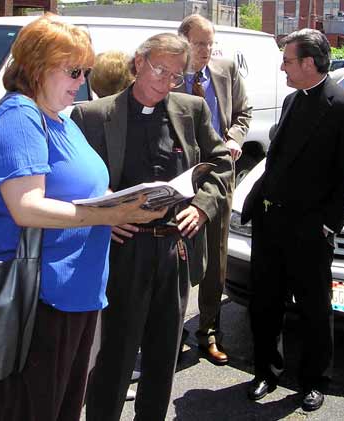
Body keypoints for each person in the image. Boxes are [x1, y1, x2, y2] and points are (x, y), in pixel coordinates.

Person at [0, 14, 165, 421]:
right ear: (37, 66)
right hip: (38, 299)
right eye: (73, 70)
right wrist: (110, 212)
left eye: (86, 71)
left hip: (73, 291)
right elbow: (26, 207)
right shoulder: (20, 116)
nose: (82, 81)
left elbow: (84, 189)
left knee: (62, 409)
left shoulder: (59, 116)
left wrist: (125, 201)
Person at [71, 32, 233, 421]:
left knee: (163, 357)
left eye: (176, 75)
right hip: (122, 249)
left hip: (174, 248)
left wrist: (203, 207)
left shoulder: (191, 110)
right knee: (115, 356)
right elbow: (72, 178)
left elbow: (221, 166)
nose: (166, 81)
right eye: (160, 69)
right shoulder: (93, 116)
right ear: (139, 62)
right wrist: (102, 215)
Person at [241, 28, 344, 412]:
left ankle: (313, 380)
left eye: (288, 60)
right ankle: (265, 372)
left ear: (309, 63)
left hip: (309, 230)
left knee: (314, 308)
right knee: (265, 304)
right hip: (270, 223)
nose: (282, 67)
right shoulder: (291, 99)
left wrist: (328, 225)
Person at [176, 13, 252, 365]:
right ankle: (171, 332)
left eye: (210, 43)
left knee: (215, 256)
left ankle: (209, 330)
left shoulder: (225, 71)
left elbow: (243, 114)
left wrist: (234, 140)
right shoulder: (170, 77)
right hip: (178, 178)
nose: (206, 50)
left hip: (219, 174)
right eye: (199, 43)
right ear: (183, 41)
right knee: (175, 255)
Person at [87, 48, 138, 403]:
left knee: (107, 307)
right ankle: (112, 371)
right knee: (116, 308)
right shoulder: (95, 117)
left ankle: (104, 370)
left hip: (108, 227)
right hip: (117, 227)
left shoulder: (86, 115)